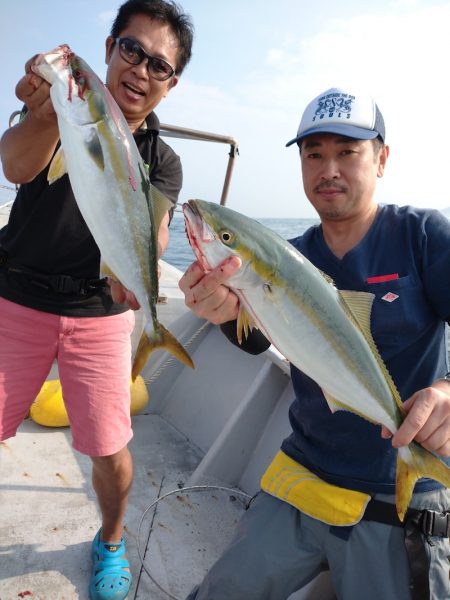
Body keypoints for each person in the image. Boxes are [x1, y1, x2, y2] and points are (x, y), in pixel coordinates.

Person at [179, 87, 450, 600]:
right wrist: (222, 311)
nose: (329, 169)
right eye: (314, 154)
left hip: (394, 493)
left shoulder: (423, 236)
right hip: (302, 475)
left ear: (382, 158)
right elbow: (256, 340)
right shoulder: (292, 255)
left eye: (347, 153)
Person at [0, 1, 193, 599]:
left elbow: (154, 230)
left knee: (110, 451)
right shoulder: (63, 108)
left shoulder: (163, 161)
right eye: (132, 51)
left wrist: (139, 269)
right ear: (110, 48)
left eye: (158, 65)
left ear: (171, 83)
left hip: (100, 312)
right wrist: (50, 106)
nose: (140, 70)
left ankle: (110, 540)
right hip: (18, 294)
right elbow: (15, 163)